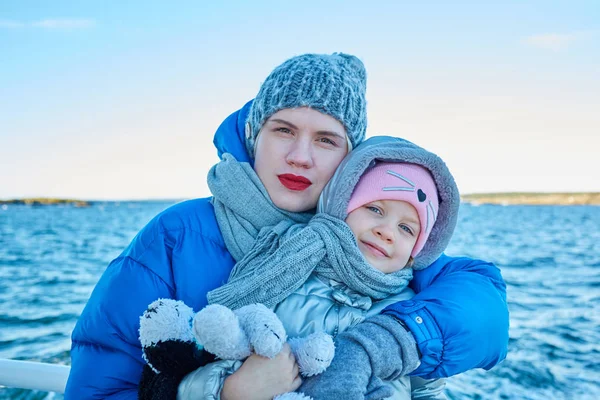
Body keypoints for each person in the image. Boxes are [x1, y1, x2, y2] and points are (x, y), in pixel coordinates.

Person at [64, 53, 508, 399]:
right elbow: (98, 389)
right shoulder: (175, 234)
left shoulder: (369, 241)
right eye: (283, 130)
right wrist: (226, 392)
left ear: (350, 162)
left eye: (326, 139)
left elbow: (484, 309)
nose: (300, 155)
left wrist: (382, 341)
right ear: (256, 134)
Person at [175, 135, 460, 400]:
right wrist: (229, 391)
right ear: (343, 206)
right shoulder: (283, 271)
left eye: (406, 229)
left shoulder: (408, 312)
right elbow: (207, 365)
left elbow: (426, 390)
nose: (387, 232)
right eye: (375, 209)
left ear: (417, 250)